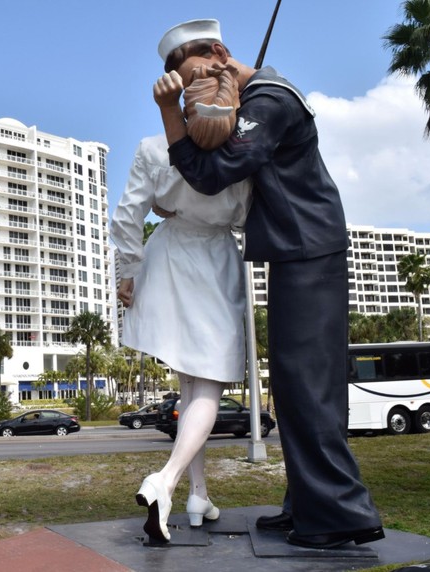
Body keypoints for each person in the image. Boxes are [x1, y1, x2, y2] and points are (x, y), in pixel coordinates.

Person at [152, 18, 384, 549]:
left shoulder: (270, 101)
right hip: (294, 250)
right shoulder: (253, 98)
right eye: (185, 92)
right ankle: (308, 504)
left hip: (309, 249)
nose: (193, 96)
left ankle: (340, 515)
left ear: (220, 53)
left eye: (194, 79)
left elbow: (212, 174)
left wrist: (170, 115)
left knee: (308, 388)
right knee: (296, 388)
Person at [111, 63, 251, 543]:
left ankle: (199, 493)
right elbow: (249, 218)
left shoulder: (155, 148)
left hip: (168, 256)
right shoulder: (242, 156)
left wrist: (126, 272)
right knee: (208, 384)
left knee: (191, 384)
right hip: (214, 259)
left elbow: (128, 214)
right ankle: (165, 482)